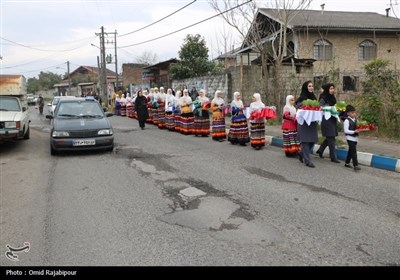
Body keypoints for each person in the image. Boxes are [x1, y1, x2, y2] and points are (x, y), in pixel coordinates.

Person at [296, 81, 318, 168]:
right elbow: (298, 106)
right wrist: (306, 104)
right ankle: (307, 161)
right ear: (306, 87)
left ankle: (301, 153)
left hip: (312, 122)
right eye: (309, 86)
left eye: (312, 86)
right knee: (305, 141)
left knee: (313, 140)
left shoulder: (314, 98)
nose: (311, 88)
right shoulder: (301, 98)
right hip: (304, 122)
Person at [316, 83, 340, 163]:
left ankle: (320, 150)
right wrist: (329, 108)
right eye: (331, 88)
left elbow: (335, 107)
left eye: (333, 88)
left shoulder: (332, 98)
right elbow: (320, 107)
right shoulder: (323, 98)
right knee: (331, 138)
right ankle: (333, 157)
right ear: (327, 89)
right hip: (326, 119)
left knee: (330, 137)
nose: (332, 90)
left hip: (332, 119)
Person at [343, 105, 361, 171]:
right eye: (352, 112)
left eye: (354, 112)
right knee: (353, 151)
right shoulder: (346, 121)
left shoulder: (356, 120)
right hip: (349, 138)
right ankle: (355, 165)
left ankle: (347, 163)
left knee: (351, 151)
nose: (354, 114)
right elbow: (346, 130)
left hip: (355, 138)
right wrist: (354, 131)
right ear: (348, 113)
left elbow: (358, 127)